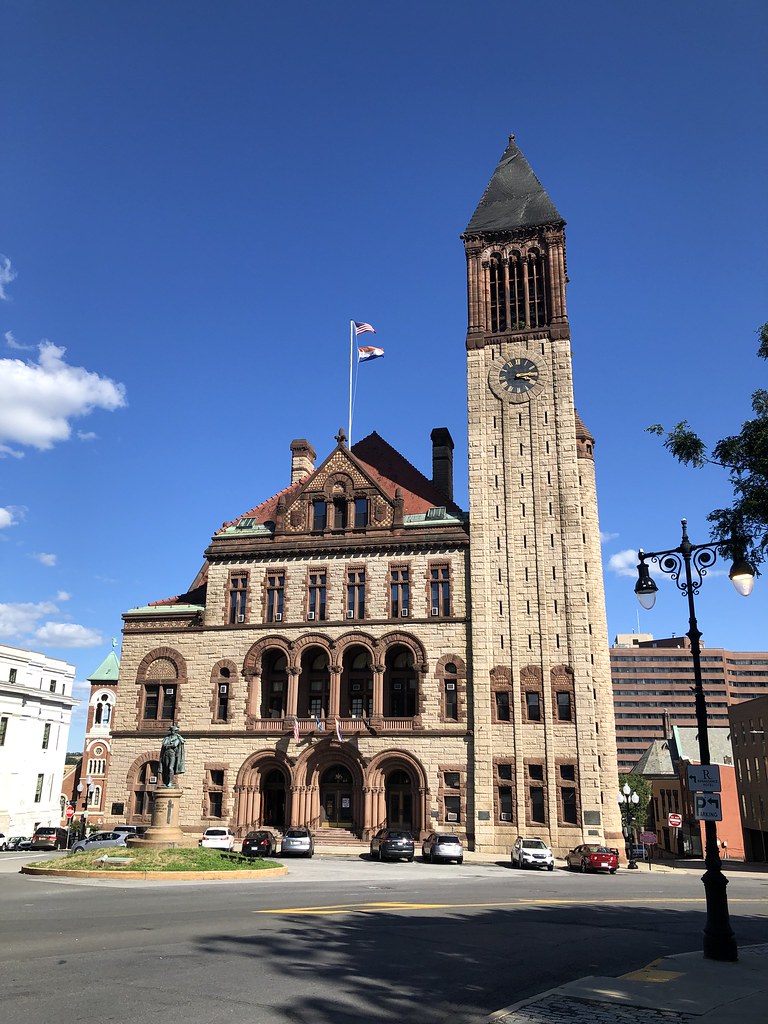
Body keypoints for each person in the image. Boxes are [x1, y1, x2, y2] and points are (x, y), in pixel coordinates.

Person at [159, 724, 186, 788]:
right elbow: (164, 744)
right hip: (166, 754)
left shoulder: (178, 738)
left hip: (172, 754)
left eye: (173, 730)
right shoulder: (167, 738)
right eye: (171, 730)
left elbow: (175, 745)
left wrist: (169, 745)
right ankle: (166, 782)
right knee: (166, 768)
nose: (172, 731)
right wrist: (169, 745)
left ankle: (170, 782)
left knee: (170, 768)